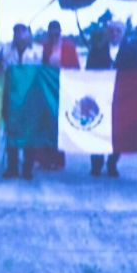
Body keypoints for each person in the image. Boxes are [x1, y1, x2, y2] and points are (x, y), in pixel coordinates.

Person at [0, 23, 42, 180]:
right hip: (11, 97)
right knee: (12, 133)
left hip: (31, 98)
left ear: (28, 34)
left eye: (23, 33)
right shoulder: (6, 50)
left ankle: (28, 168)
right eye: (16, 33)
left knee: (29, 135)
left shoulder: (37, 51)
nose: (20, 36)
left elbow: (44, 73)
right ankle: (12, 167)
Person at [86, 19, 129, 178]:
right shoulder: (96, 51)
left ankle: (112, 163)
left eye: (118, 31)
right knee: (97, 128)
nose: (114, 34)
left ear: (122, 33)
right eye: (111, 31)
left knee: (117, 132)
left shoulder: (130, 52)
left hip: (121, 99)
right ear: (107, 33)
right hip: (100, 98)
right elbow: (88, 73)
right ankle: (96, 164)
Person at [37, 20, 79, 170]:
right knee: (45, 125)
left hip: (63, 90)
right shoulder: (44, 47)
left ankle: (58, 160)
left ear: (60, 32)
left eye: (56, 32)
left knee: (59, 126)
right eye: (51, 32)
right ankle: (44, 159)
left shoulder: (69, 47)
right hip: (47, 90)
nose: (54, 35)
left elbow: (76, 68)